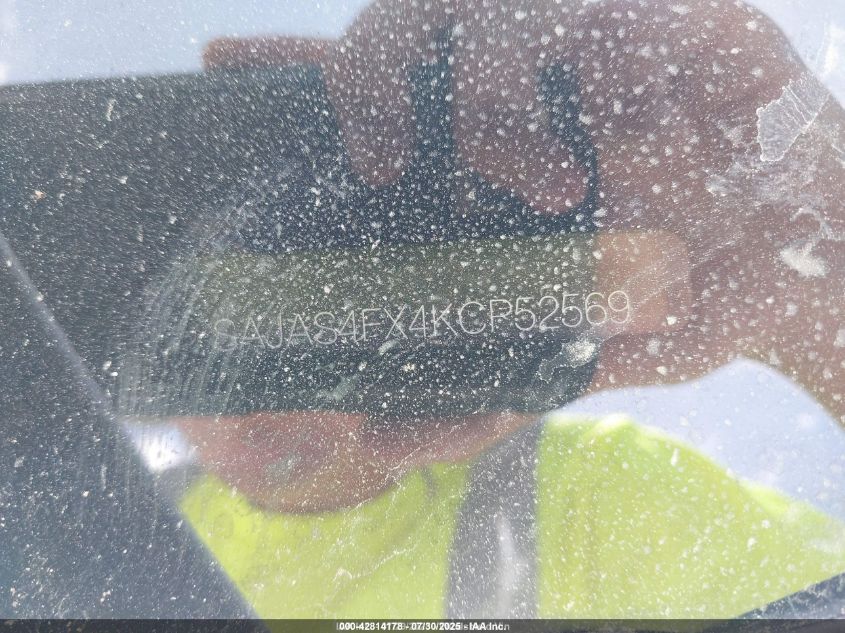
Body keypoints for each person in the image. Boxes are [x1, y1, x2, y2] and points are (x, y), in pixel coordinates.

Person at [172, 0, 845, 618]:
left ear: (421, 304)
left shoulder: (595, 497)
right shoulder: (122, 514)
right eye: (194, 336)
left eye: (294, 324)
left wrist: (819, 251)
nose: (238, 408)